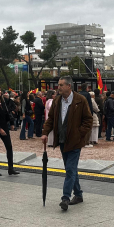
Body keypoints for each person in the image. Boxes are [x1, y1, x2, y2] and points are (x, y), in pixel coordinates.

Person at [42, 76, 93, 211]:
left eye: (60, 85)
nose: (58, 87)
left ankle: (65, 197)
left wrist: (79, 133)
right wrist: (45, 133)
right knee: (71, 169)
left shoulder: (80, 100)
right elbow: (51, 119)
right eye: (58, 85)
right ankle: (78, 194)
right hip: (63, 140)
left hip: (75, 142)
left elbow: (88, 120)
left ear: (69, 86)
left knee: (70, 169)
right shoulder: (57, 100)